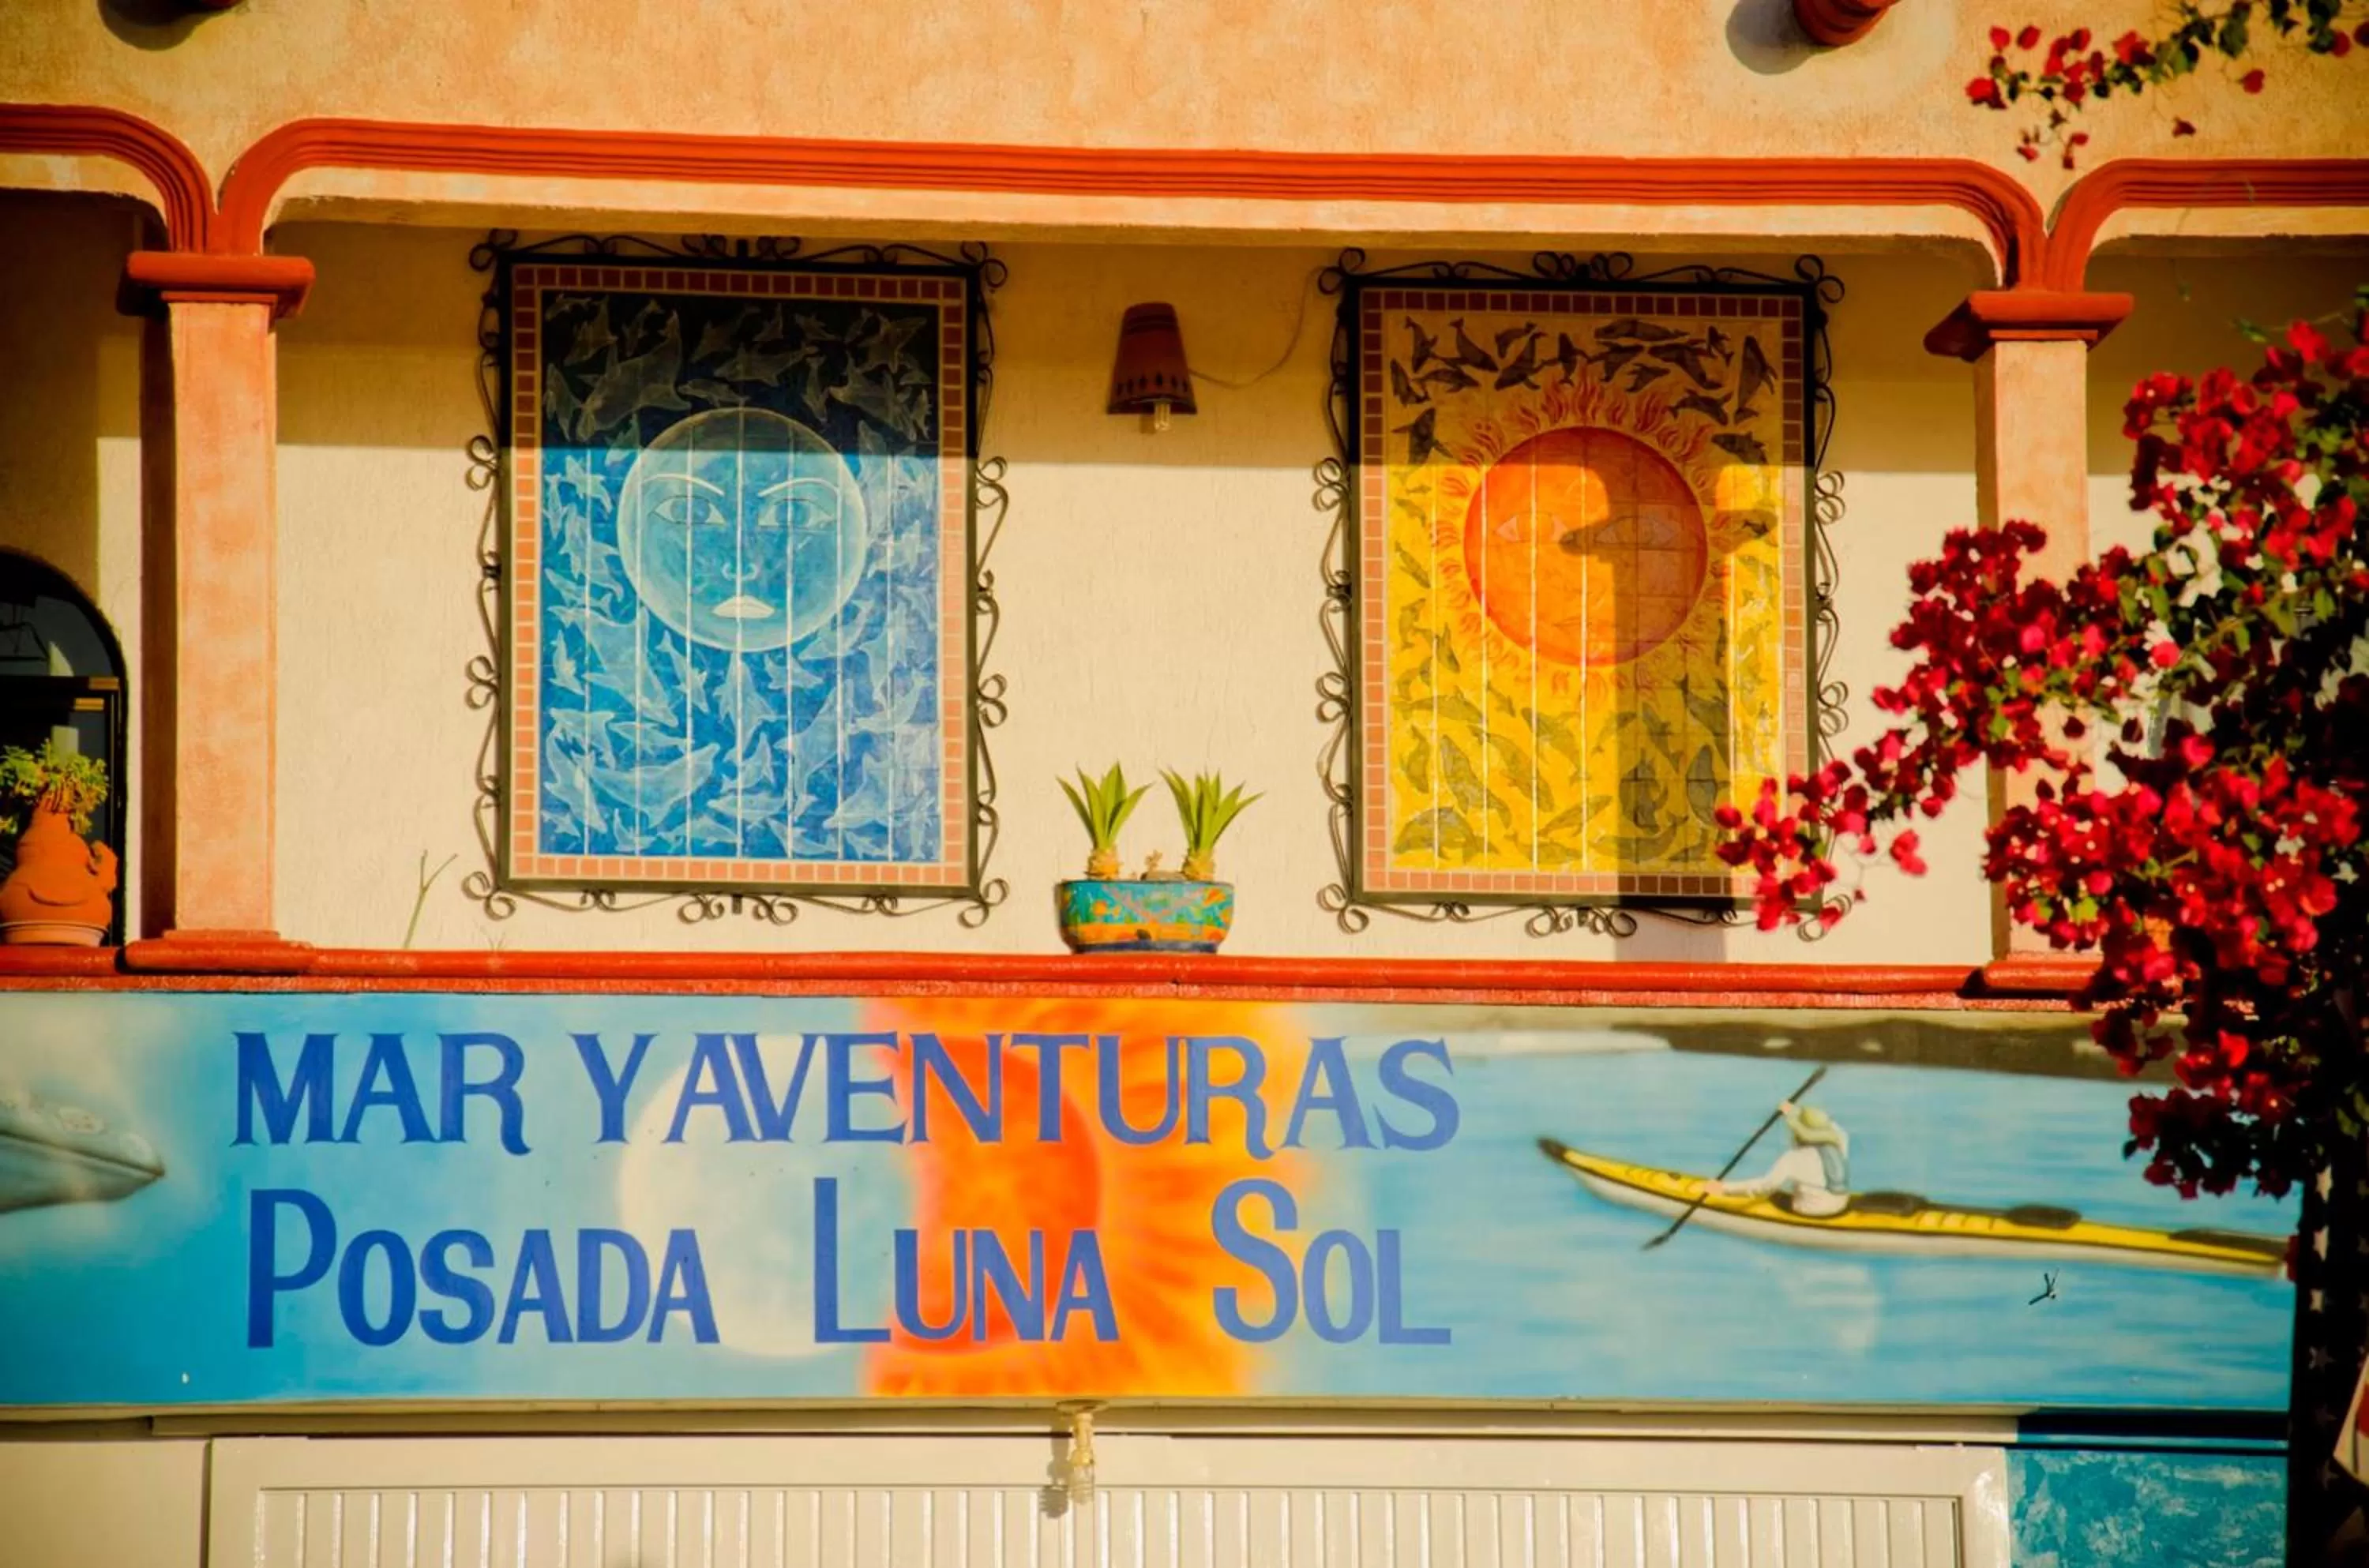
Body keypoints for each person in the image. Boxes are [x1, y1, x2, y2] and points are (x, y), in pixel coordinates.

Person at [1706, 1101, 1849, 1217]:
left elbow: (1765, 1187)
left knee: (1773, 1196)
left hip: (1812, 1211)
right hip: (1840, 1204)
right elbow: (1830, 1126)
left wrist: (1722, 1188)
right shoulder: (1841, 1140)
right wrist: (1791, 1111)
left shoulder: (1794, 1158)